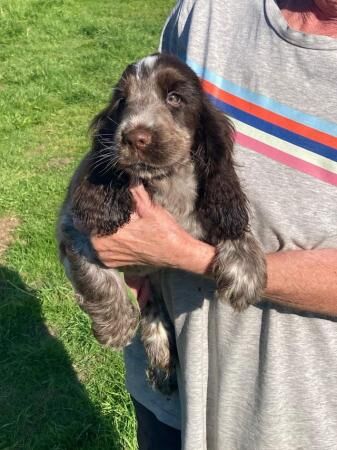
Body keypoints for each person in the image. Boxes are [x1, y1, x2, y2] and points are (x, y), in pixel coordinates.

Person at [91, 1, 337, 448]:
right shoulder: (208, 11)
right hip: (170, 380)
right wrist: (122, 259)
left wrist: (188, 256)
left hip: (293, 412)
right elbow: (133, 130)